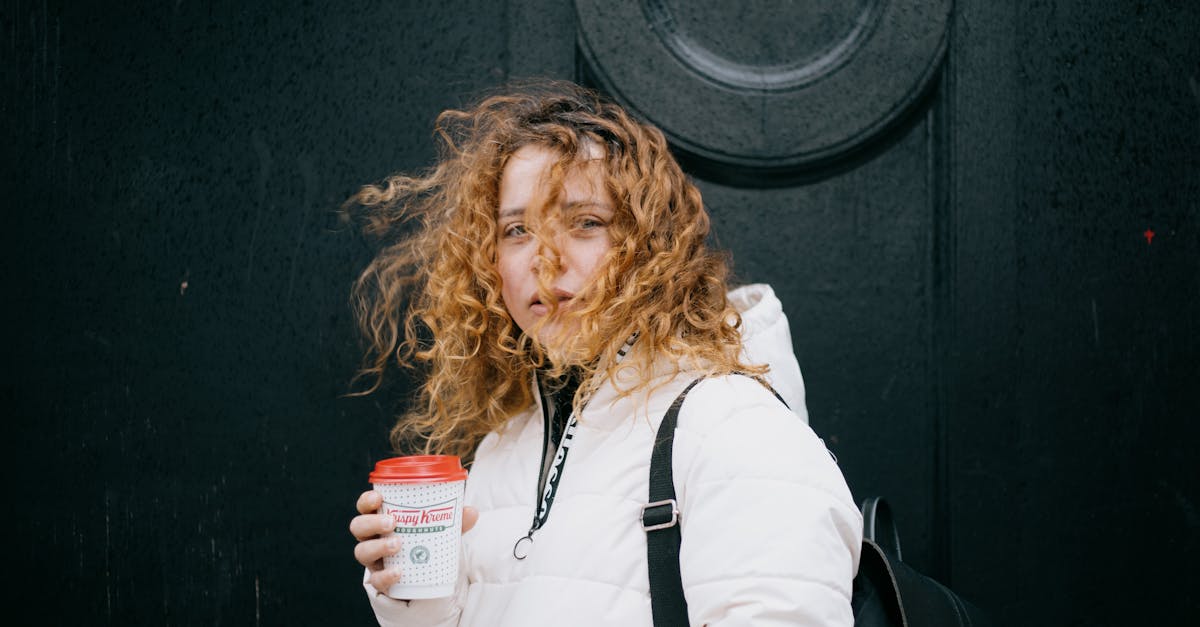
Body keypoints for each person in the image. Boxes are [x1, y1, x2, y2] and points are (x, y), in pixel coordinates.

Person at [347, 80, 862, 626]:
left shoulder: (733, 427)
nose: (546, 260)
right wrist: (416, 596)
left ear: (650, 244)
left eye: (585, 222)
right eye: (517, 229)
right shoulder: (505, 447)